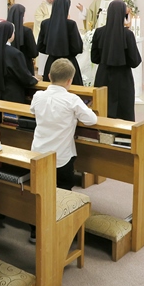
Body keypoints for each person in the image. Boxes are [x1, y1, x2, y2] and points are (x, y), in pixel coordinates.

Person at [29, 58, 97, 242]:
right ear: (70, 81)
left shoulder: (39, 96)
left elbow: (33, 111)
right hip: (61, 158)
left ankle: (36, 230)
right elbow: (92, 120)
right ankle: (61, 232)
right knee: (63, 193)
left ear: (49, 76)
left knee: (40, 193)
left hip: (38, 154)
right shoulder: (72, 100)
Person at [91, 0, 142, 121]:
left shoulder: (99, 32)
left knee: (103, 111)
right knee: (123, 113)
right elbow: (135, 61)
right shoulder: (128, 35)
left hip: (103, 77)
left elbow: (94, 58)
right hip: (123, 79)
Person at [0, 21, 38, 104]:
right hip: (10, 95)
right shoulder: (15, 53)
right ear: (10, 34)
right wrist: (33, 79)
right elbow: (23, 75)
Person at [37, 0, 84, 85]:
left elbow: (40, 46)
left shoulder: (45, 23)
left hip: (51, 63)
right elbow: (77, 47)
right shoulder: (71, 24)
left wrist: (51, 52)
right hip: (69, 63)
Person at [7, 4, 38, 75]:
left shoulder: (4, 30)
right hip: (25, 67)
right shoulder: (27, 31)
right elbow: (34, 53)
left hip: (9, 67)